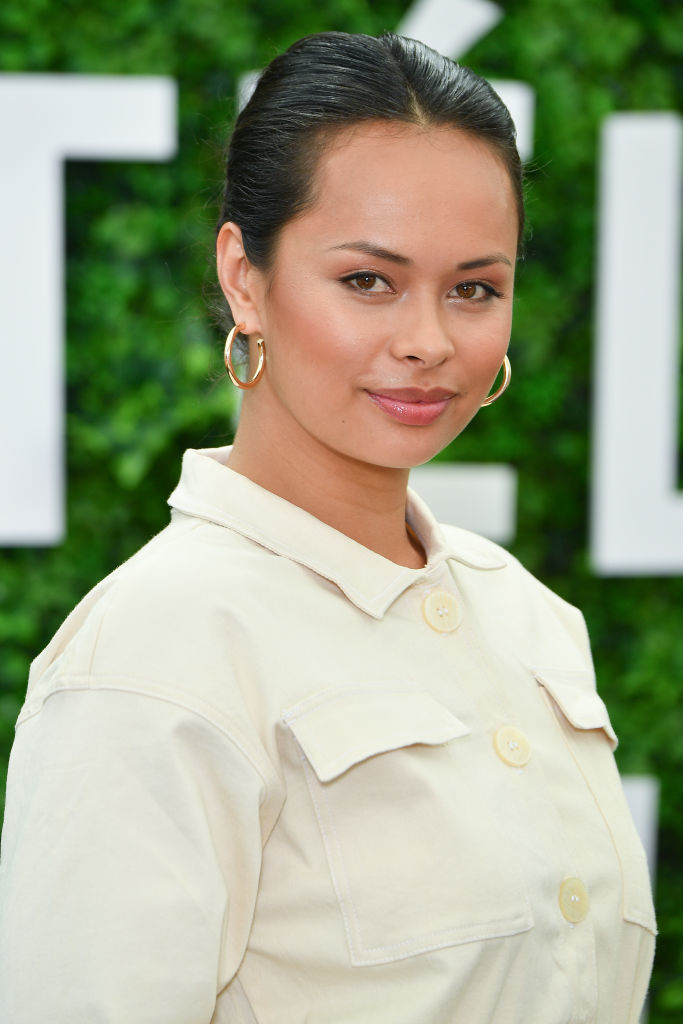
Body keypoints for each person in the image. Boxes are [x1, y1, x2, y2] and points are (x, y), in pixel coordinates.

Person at [0, 31, 655, 1024]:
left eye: (473, 288)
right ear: (244, 277)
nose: (428, 342)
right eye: (367, 281)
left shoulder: (527, 618)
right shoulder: (152, 651)